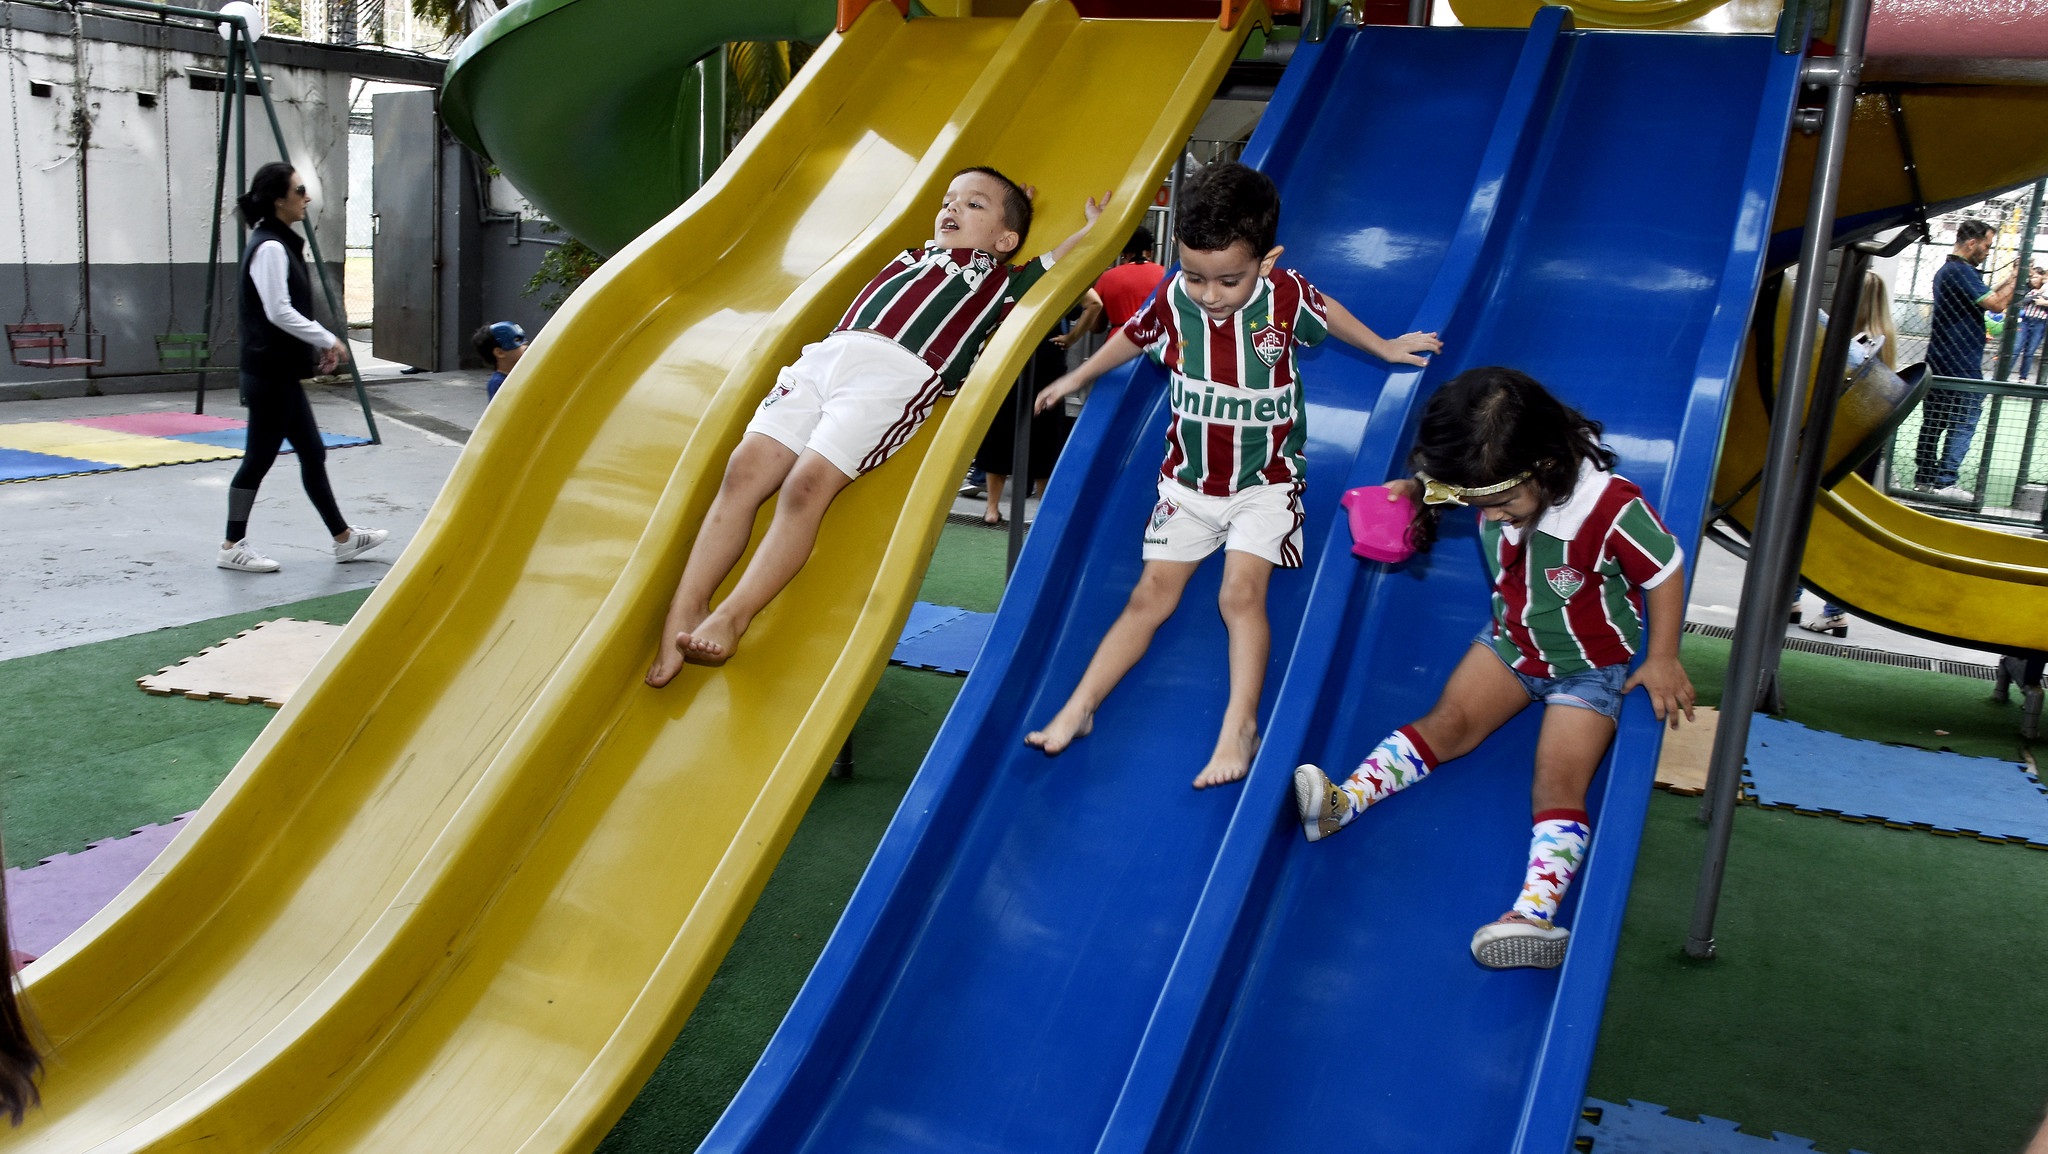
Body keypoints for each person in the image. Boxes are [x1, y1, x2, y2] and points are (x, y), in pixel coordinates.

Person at [1024, 163, 1442, 788]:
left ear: (1267, 262)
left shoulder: (1284, 298)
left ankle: (1238, 725)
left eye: (1228, 280)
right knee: (1148, 599)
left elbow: (1326, 310)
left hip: (1265, 483)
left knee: (1238, 596)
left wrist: (1383, 346)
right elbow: (1133, 337)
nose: (1210, 294)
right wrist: (1078, 376)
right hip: (1188, 484)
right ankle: (1080, 706)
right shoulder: (1172, 299)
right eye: (1195, 276)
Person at [1291, 367, 1694, 970]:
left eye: (1502, 504)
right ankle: (1343, 803)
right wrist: (1411, 490)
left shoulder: (1609, 506)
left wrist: (1662, 657)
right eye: (1481, 503)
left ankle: (1533, 916)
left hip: (1588, 667)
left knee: (1556, 779)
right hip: (1511, 643)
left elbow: (1663, 570)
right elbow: (1451, 488)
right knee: (1448, 721)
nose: (1496, 516)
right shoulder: (1491, 477)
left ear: (1547, 466)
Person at [645, 167, 1112, 683]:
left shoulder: (1006, 280)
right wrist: (991, 206)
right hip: (826, 357)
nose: (952, 209)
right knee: (743, 470)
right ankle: (684, 610)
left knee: (805, 487)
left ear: (1007, 239)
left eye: (972, 205)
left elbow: (1064, 261)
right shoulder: (913, 254)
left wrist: (1094, 229)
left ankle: (733, 615)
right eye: (948, 201)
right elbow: (970, 218)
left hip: (898, 376)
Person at [217, 162, 387, 574]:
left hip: (279, 374)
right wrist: (327, 339)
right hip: (268, 376)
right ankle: (231, 544)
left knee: (312, 452)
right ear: (279, 199)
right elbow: (278, 311)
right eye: (299, 190)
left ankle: (343, 539)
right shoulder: (271, 247)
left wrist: (317, 349)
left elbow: (285, 313)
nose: (306, 197)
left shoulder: (277, 243)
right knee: (258, 459)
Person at [1803, 269, 1901, 637]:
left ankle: (1826, 608)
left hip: (1840, 443)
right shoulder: (1884, 339)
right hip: (1862, 448)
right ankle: (1821, 606)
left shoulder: (1856, 342)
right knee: (1824, 523)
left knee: (1811, 521)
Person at [1916, 220, 2016, 500]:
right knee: (1963, 421)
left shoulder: (1950, 271)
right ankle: (1945, 483)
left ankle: (1924, 479)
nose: (1987, 251)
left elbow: (1987, 295)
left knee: (1934, 422)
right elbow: (1996, 304)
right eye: (1986, 246)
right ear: (1972, 243)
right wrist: (2017, 281)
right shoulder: (1960, 272)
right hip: (1961, 364)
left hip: (1940, 360)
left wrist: (2009, 280)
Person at [472, 321, 528, 400]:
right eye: (517, 341)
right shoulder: (497, 383)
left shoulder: (521, 374)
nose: (525, 346)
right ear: (500, 352)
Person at [2015, 266, 2048, 383]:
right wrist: (2036, 296)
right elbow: (2021, 302)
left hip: (2040, 322)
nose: (2033, 279)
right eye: (2032, 277)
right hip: (2025, 320)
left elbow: (2043, 303)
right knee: (2016, 348)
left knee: (2029, 352)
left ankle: (2023, 377)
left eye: (2037, 277)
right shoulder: (2029, 289)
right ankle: (2003, 374)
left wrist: (2044, 302)